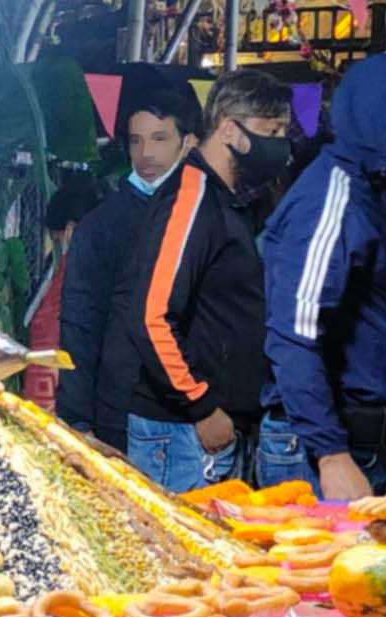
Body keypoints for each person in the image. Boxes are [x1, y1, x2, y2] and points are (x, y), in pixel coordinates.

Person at [258, 51, 386, 499]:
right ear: (379, 112)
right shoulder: (333, 197)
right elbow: (294, 333)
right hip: (321, 447)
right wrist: (331, 455)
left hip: (358, 440)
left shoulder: (372, 193)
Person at [102, 70, 291, 492]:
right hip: (185, 434)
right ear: (229, 129)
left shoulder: (226, 199)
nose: (280, 144)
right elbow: (151, 317)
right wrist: (202, 405)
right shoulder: (192, 196)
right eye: (271, 130)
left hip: (212, 430)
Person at [58, 88, 198, 451]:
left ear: (189, 143)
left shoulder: (206, 214)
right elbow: (79, 321)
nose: (146, 154)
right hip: (119, 412)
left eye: (160, 138)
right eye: (136, 141)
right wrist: (76, 418)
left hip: (199, 413)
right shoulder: (102, 225)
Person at [24, 187, 101, 411]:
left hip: (64, 396)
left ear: (69, 230)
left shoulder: (76, 271)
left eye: (57, 238)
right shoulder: (83, 268)